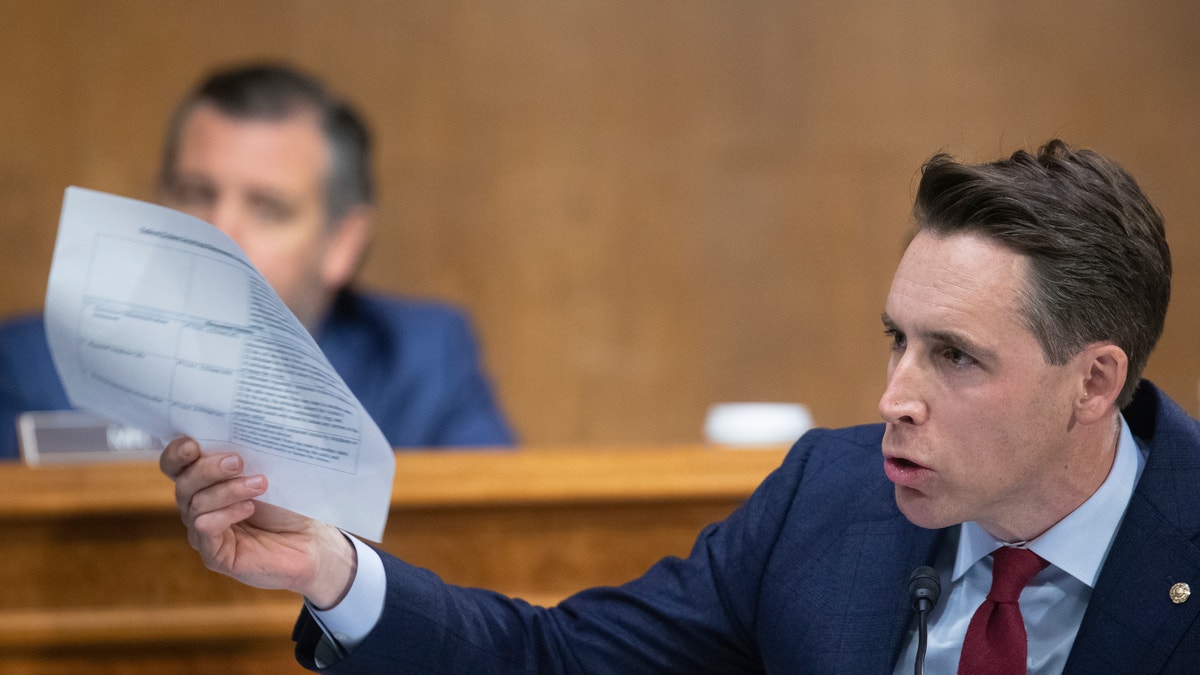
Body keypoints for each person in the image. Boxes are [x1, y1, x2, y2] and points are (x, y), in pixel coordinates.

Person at [161, 140, 1200, 673]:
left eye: (956, 358)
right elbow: (555, 663)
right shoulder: (829, 499)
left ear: (1095, 382)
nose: (896, 399)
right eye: (899, 341)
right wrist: (333, 569)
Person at [0, 64, 515, 458]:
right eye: (194, 193)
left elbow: (495, 551)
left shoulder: (419, 364)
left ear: (342, 243)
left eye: (268, 209)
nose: (218, 233)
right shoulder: (33, 366)